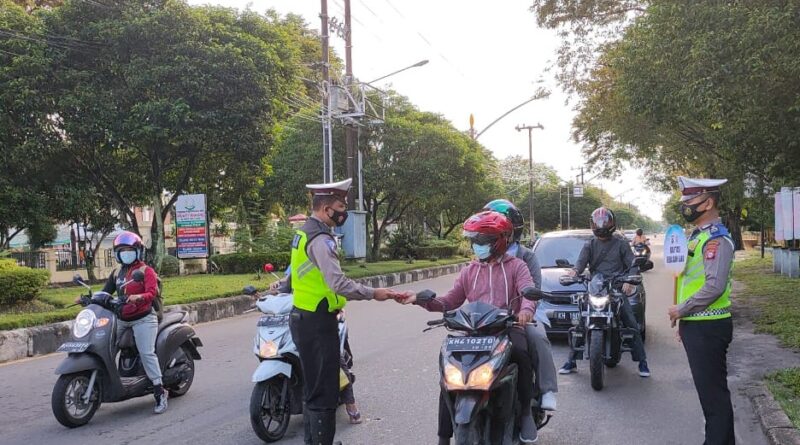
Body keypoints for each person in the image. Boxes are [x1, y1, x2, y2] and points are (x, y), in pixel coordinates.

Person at [399, 211, 539, 444]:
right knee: (450, 374)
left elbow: (528, 291)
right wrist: (421, 300)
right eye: (474, 241)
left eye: (482, 241)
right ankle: (444, 435)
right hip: (473, 332)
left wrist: (525, 311)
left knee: (523, 354)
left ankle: (525, 413)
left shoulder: (518, 267)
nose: (477, 246)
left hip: (506, 329)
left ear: (501, 239)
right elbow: (449, 301)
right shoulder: (470, 271)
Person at [288, 178, 408, 445]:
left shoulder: (303, 233)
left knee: (313, 387)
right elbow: (338, 283)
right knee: (325, 392)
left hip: (303, 317)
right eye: (340, 205)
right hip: (318, 323)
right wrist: (373, 293)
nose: (343, 212)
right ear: (325, 208)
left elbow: (297, 275)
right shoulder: (320, 239)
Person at [668, 177, 735, 445]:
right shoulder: (698, 236)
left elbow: (714, 287)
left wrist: (681, 309)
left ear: (708, 202)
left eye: (690, 202)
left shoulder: (716, 240)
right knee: (712, 396)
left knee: (713, 398)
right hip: (698, 326)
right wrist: (685, 319)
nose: (685, 207)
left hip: (709, 327)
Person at [483, 198, 558, 412]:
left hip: (525, 316)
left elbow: (533, 291)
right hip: (490, 318)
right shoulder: (481, 260)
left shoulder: (526, 257)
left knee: (538, 338)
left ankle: (547, 389)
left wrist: (525, 312)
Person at [558, 207, 651, 377]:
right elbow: (579, 265)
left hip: (616, 288)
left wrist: (629, 280)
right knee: (581, 323)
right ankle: (571, 361)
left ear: (612, 223)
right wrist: (572, 274)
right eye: (598, 222)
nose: (601, 225)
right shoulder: (590, 245)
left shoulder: (621, 244)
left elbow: (633, 265)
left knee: (631, 322)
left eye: (605, 222)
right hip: (596, 288)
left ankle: (642, 362)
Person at [268, 265, 363, 424]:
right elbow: (287, 284)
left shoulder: (326, 261)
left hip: (322, 318)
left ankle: (350, 402)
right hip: (299, 320)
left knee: (335, 362)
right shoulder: (299, 263)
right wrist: (276, 288)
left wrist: (338, 307)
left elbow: (339, 286)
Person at [101, 231, 168, 414]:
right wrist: (88, 299)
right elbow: (105, 293)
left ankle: (159, 390)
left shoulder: (146, 271)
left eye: (130, 250)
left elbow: (151, 293)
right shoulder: (117, 273)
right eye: (122, 250)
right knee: (106, 347)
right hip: (122, 319)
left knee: (147, 353)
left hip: (143, 318)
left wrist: (138, 297)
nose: (126, 253)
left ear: (138, 252)